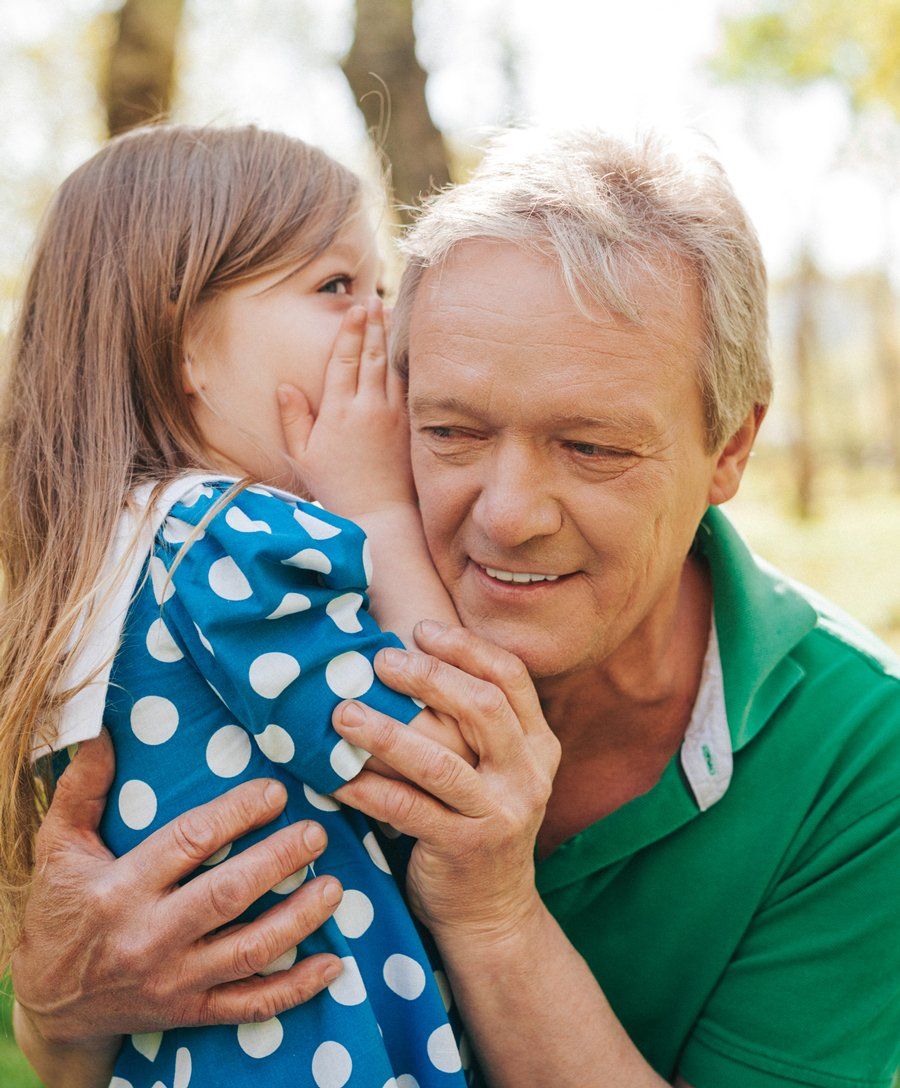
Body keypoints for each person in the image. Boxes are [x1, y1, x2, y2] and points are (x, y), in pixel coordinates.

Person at [13, 128, 900, 1088]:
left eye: (592, 448)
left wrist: (492, 911)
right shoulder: (291, 580)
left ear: (729, 447)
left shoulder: (860, 754)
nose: (510, 517)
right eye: (449, 430)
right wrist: (61, 1020)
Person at [0, 124, 481, 1088]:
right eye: (336, 287)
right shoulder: (234, 538)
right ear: (186, 347)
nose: (381, 325)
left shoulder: (123, 543)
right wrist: (378, 504)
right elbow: (449, 756)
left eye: (378, 288)